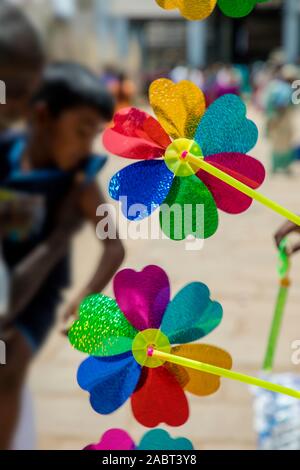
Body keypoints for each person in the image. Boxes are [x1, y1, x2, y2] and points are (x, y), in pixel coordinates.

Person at [0, 62, 125, 449]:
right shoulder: (6, 154)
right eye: (81, 130)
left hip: (35, 297)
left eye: (95, 133)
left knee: (9, 363)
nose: (87, 145)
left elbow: (114, 244)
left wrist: (86, 295)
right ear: (43, 116)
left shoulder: (81, 182)